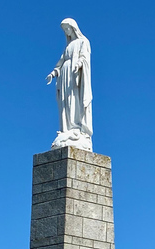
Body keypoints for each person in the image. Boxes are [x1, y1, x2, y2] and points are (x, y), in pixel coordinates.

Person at [46, 18, 93, 151]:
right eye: (64, 30)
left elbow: (84, 57)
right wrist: (54, 73)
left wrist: (79, 64)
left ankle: (75, 127)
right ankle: (66, 129)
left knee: (74, 100)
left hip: (74, 75)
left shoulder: (83, 42)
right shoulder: (67, 46)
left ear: (73, 28)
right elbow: (61, 61)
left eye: (68, 28)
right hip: (64, 76)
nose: (66, 31)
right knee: (65, 102)